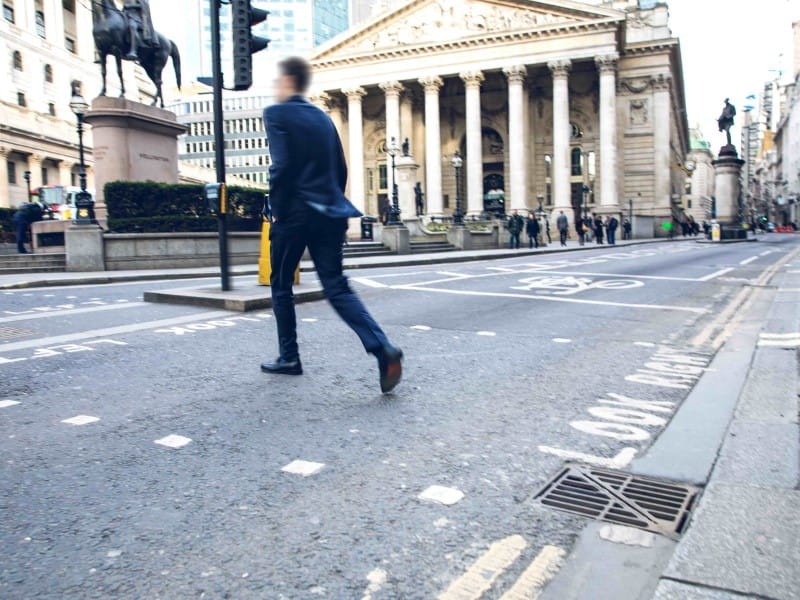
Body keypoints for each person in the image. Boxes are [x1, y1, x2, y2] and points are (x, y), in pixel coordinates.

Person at [262, 57, 403, 393]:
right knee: (336, 285)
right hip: (329, 212)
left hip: (294, 212)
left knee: (281, 282)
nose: (275, 86)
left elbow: (280, 167)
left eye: (278, 80)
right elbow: (341, 169)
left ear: (288, 82)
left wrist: (277, 209)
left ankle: (289, 357)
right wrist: (330, 203)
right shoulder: (322, 118)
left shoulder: (276, 113)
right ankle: (381, 346)